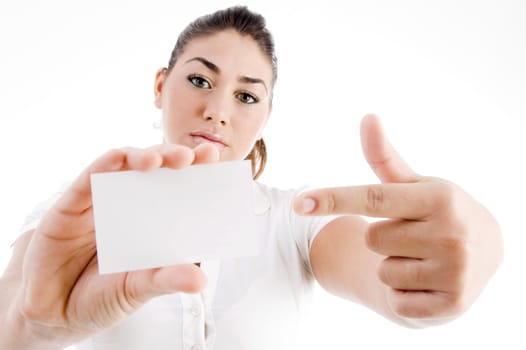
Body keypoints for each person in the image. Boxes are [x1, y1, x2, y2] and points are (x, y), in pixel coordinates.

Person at [0, 6, 503, 350]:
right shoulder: (78, 215)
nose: (217, 110)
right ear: (160, 85)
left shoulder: (296, 219)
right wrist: (33, 324)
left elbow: (383, 279)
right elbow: (13, 316)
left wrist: (452, 263)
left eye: (246, 96)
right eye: (200, 80)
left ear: (266, 115)